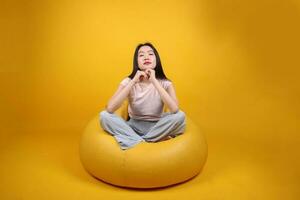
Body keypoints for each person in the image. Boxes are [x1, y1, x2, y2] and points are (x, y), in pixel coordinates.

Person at [99, 42, 186, 150]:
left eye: (150, 54)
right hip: (132, 127)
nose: (146, 57)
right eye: (141, 55)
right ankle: (148, 141)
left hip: (158, 126)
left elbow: (174, 109)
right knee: (104, 116)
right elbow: (110, 108)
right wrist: (133, 81)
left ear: (156, 59)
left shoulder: (165, 82)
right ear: (136, 62)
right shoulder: (128, 81)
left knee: (180, 116)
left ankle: (135, 141)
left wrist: (154, 81)